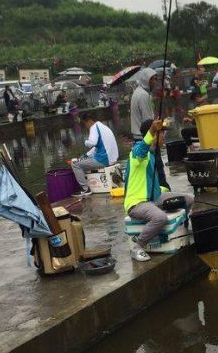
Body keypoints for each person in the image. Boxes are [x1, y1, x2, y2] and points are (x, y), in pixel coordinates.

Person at [124, 119, 194, 261]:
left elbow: (149, 182)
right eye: (162, 133)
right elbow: (141, 149)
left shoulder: (153, 154)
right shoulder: (137, 152)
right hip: (136, 203)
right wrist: (151, 131)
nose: (164, 137)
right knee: (159, 217)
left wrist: (163, 189)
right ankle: (138, 246)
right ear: (154, 135)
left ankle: (185, 229)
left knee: (188, 199)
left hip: (154, 198)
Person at [71, 113, 119, 197]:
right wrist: (86, 155)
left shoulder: (93, 127)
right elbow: (97, 146)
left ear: (89, 121)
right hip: (112, 158)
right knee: (84, 160)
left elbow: (92, 143)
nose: (86, 126)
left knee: (75, 165)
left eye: (85, 124)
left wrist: (85, 141)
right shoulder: (103, 127)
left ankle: (85, 189)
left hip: (104, 160)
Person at [130, 67, 157, 140]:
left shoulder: (138, 91)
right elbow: (148, 120)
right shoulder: (143, 95)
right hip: (144, 136)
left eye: (155, 79)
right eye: (152, 79)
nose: (155, 82)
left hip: (138, 135)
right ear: (146, 80)